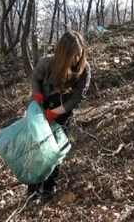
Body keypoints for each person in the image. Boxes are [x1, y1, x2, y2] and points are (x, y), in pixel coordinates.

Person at [27, 31, 91, 203]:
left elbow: (76, 100)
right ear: (64, 53)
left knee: (55, 150)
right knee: (38, 150)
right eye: (73, 54)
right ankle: (33, 192)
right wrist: (38, 96)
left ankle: (49, 188)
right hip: (41, 107)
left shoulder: (84, 71)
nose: (77, 58)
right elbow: (35, 79)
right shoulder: (46, 63)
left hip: (63, 112)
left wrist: (54, 113)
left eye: (80, 54)